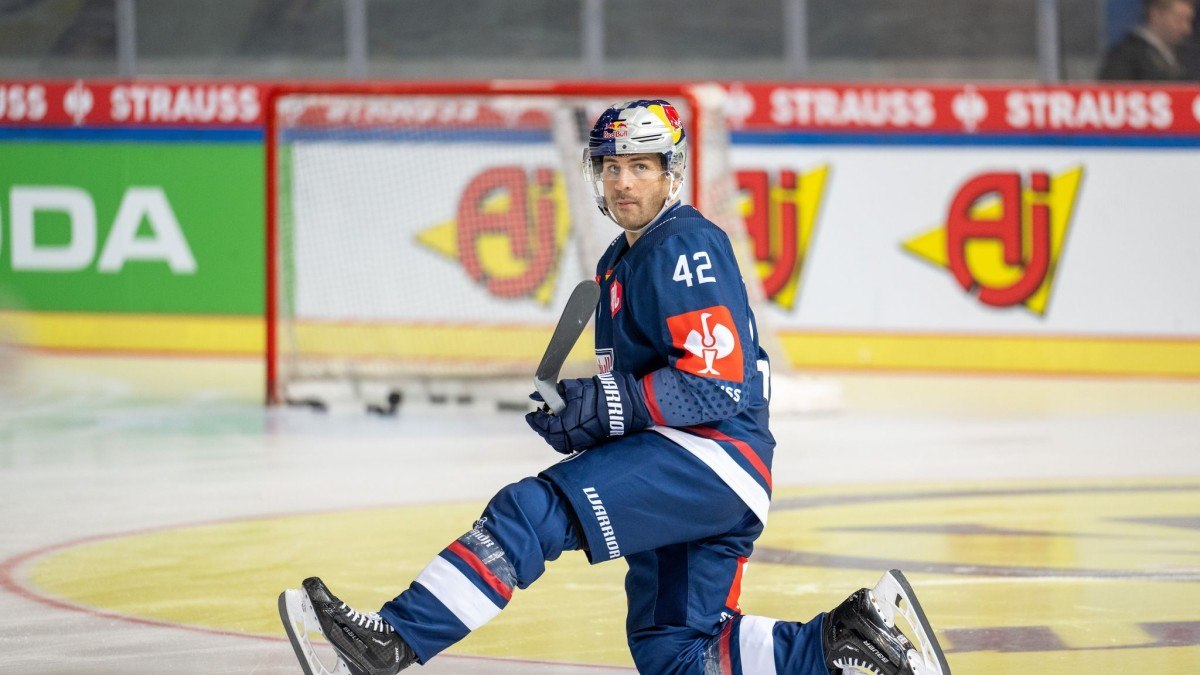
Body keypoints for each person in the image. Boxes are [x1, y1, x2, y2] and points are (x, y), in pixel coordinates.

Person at [279, 100, 951, 675]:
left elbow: (716, 385)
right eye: (611, 165)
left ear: (670, 173)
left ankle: (389, 645)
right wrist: (588, 416)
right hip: (709, 467)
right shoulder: (621, 259)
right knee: (672, 650)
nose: (623, 180)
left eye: (640, 165)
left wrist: (610, 405)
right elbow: (639, 387)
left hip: (710, 459)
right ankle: (852, 639)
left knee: (532, 511)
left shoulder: (683, 245)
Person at [1098, 0, 1196, 81]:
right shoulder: (1125, 56)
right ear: (1155, 15)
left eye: (1188, 21)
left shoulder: (1186, 56)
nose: (1186, 28)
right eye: (1178, 20)